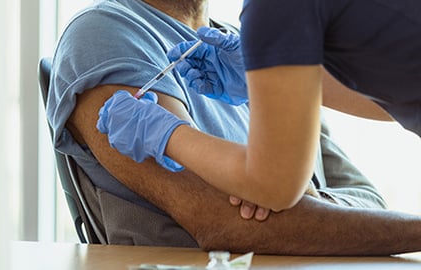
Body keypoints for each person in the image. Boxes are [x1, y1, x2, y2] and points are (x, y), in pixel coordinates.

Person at [48, 0, 421, 255]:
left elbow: (365, 197)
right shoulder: (106, 33)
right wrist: (301, 206)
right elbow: (227, 225)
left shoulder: (255, 37)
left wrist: (301, 204)